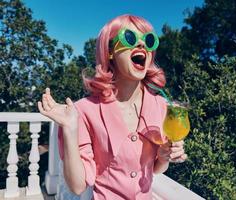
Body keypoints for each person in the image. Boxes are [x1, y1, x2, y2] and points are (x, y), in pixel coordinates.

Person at [38, 14, 187, 200]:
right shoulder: (86, 110)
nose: (142, 46)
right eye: (130, 38)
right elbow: (77, 186)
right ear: (110, 51)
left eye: (149, 40)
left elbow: (157, 168)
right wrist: (69, 128)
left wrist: (165, 156)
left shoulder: (161, 106)